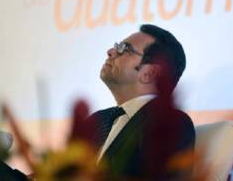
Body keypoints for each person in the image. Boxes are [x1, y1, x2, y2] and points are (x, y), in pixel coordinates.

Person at [82, 24, 195, 180]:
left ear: (150, 73)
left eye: (124, 48)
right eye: (116, 46)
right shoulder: (96, 120)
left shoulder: (170, 123)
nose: (110, 51)